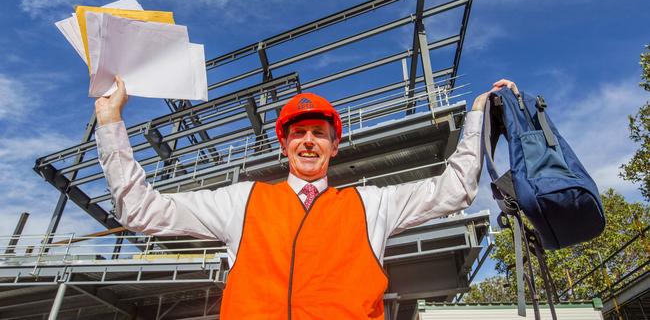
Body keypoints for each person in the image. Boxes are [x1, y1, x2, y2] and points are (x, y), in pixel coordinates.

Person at [94, 77, 518, 319]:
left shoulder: (371, 205)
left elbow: (455, 189)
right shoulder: (242, 202)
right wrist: (111, 122)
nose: (309, 141)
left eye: (319, 134)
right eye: (299, 133)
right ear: (285, 145)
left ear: (335, 146)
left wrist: (478, 116)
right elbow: (139, 209)